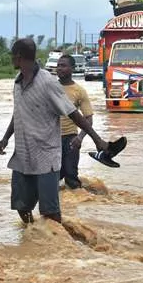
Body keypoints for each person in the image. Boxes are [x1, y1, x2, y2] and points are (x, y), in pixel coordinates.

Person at [0, 38, 125, 225]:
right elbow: (18, 114)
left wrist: (97, 140)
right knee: (21, 207)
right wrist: (5, 138)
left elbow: (73, 113)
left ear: (18, 57)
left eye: (12, 56)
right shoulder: (17, 83)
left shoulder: (48, 83)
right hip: (23, 155)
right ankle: (35, 238)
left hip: (46, 156)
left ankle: (62, 244)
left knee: (50, 212)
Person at [56, 55, 92, 190]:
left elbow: (88, 118)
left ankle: (74, 206)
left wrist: (80, 137)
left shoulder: (79, 91)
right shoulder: (50, 87)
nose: (59, 68)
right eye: (58, 65)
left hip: (70, 138)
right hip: (50, 138)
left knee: (71, 177)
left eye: (63, 65)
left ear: (72, 68)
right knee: (51, 176)